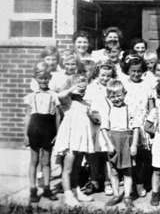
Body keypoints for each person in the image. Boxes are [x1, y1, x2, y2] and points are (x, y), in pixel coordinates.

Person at [53, 74, 96, 206]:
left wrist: (94, 118)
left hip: (80, 141)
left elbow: (88, 118)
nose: (81, 90)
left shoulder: (86, 103)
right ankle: (68, 194)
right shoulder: (68, 102)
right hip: (70, 141)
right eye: (79, 88)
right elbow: (60, 96)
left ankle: (76, 190)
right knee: (68, 169)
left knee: (77, 168)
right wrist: (72, 88)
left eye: (84, 88)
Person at [24, 62, 60, 203]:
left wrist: (57, 133)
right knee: (34, 160)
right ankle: (32, 189)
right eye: (41, 78)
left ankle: (46, 188)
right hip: (35, 128)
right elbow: (27, 116)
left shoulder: (53, 95)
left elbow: (57, 116)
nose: (44, 81)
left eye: (46, 78)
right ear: (36, 79)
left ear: (49, 79)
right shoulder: (31, 96)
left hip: (48, 128)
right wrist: (25, 134)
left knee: (46, 161)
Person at [100, 80, 138, 208]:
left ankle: (127, 196)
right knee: (114, 171)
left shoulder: (129, 108)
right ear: (108, 97)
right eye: (113, 96)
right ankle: (116, 195)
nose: (116, 99)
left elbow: (136, 127)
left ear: (124, 94)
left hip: (126, 141)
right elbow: (104, 128)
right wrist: (109, 145)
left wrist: (134, 145)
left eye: (119, 95)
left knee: (128, 171)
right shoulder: (108, 110)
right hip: (113, 141)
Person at [122, 56, 155, 198]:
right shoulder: (124, 84)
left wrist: (151, 122)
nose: (136, 74)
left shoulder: (147, 85)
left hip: (142, 124)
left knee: (143, 156)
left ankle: (141, 182)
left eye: (139, 71)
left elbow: (152, 107)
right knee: (129, 155)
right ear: (128, 71)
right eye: (133, 71)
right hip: (127, 123)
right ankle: (130, 183)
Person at [83, 60, 117, 196]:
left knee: (108, 154)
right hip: (95, 124)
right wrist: (91, 116)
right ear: (97, 74)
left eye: (108, 76)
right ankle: (94, 180)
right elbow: (87, 105)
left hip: (108, 125)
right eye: (102, 75)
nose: (105, 78)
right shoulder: (92, 87)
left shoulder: (114, 87)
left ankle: (108, 181)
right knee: (94, 154)